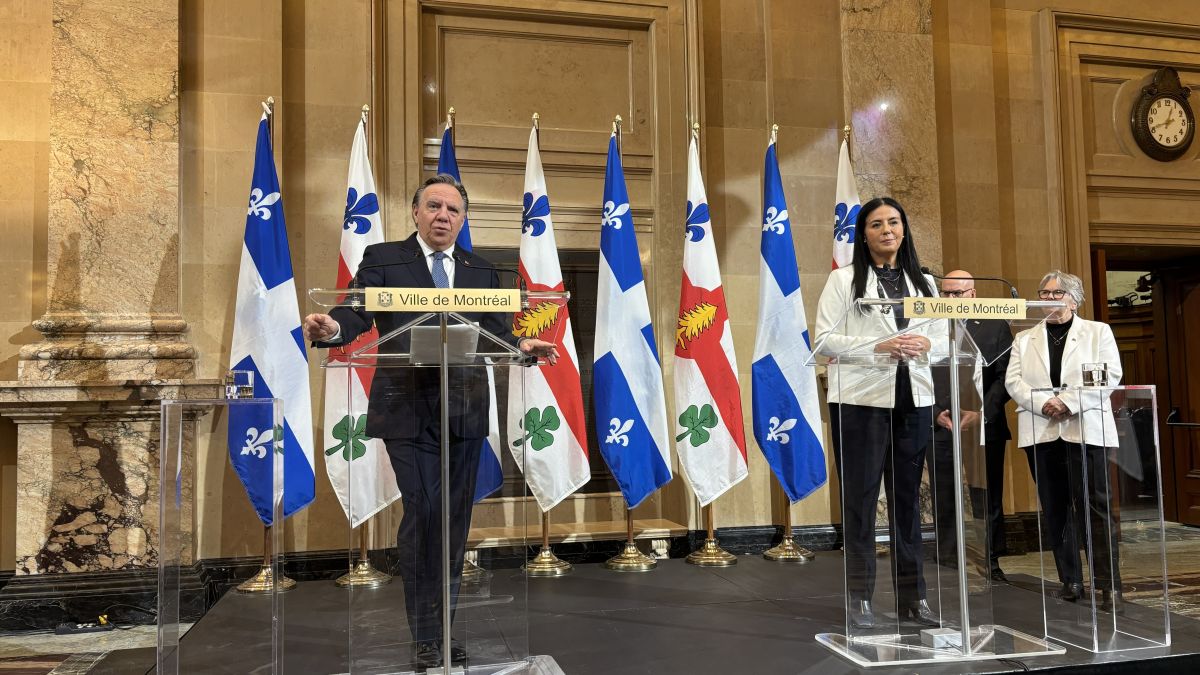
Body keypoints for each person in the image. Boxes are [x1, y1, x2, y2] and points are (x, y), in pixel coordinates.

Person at [303, 174, 557, 669]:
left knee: (454, 524)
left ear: (463, 220)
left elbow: (496, 334)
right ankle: (425, 635)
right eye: (434, 206)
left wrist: (521, 347)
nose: (444, 215)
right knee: (425, 515)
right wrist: (333, 329)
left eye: (453, 210)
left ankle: (445, 628)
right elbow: (354, 313)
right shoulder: (384, 259)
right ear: (416, 213)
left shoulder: (481, 269)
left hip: (463, 411)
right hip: (407, 409)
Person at [814, 196, 942, 629]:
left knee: (908, 505)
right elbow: (823, 340)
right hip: (861, 403)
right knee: (862, 503)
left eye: (894, 222)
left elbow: (943, 340)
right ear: (863, 234)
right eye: (876, 224)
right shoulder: (844, 281)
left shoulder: (925, 283)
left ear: (904, 229)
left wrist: (928, 345)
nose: (887, 230)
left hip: (914, 400)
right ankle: (860, 599)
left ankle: (913, 600)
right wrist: (876, 347)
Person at [1005, 270, 1123, 612]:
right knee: (1056, 508)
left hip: (1085, 429)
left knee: (1095, 508)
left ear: (1073, 298)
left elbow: (1108, 375)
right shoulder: (1024, 339)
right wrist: (1043, 403)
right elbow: (1014, 382)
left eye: (1055, 293)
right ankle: (1070, 581)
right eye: (1043, 293)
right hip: (1042, 430)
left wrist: (1068, 402)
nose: (1047, 299)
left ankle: (1108, 585)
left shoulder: (1097, 332)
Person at [928, 271, 1013, 582]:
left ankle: (990, 561)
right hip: (940, 423)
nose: (951, 300)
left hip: (983, 424)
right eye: (946, 293)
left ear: (973, 295)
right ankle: (948, 558)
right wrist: (935, 412)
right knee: (944, 492)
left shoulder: (995, 325)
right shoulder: (929, 327)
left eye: (958, 293)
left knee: (986, 494)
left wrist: (982, 412)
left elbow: (1006, 376)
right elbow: (918, 373)